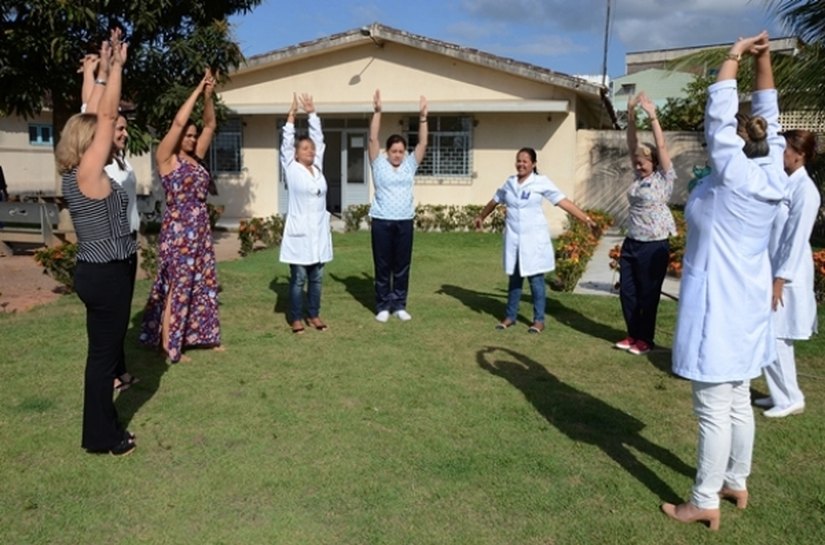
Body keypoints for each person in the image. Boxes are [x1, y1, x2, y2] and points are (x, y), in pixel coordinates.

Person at [663, 31, 788, 530]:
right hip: (748, 303)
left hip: (719, 304)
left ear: (735, 140)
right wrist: (764, 60)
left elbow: (719, 113)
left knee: (714, 406)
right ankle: (736, 481)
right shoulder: (773, 172)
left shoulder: (734, 173)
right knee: (737, 398)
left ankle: (704, 499)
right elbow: (770, 113)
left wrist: (735, 55)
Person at [55, 30, 136, 456]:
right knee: (103, 360)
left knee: (100, 356)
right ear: (88, 145)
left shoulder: (78, 174)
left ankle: (101, 428)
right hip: (107, 275)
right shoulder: (89, 173)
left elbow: (91, 112)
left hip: (97, 271)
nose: (110, 133)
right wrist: (116, 67)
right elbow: (102, 117)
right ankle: (103, 437)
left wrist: (99, 74)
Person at [139, 69, 222, 363]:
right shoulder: (167, 158)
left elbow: (210, 124)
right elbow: (177, 122)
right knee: (177, 285)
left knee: (202, 282)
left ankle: (201, 336)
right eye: (187, 135)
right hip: (177, 231)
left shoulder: (196, 157)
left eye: (193, 135)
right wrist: (197, 90)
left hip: (199, 229)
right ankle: (168, 345)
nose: (191, 138)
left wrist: (209, 97)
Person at [473, 148, 598, 333]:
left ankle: (538, 320)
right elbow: (495, 201)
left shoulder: (541, 182)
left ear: (533, 164)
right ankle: (510, 317)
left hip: (533, 241)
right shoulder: (510, 182)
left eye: (525, 161)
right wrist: (481, 216)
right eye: (518, 160)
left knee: (536, 281)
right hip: (514, 240)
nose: (521, 164)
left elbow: (563, 201)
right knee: (515, 280)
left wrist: (586, 219)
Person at [81, 52, 140, 391]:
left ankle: (120, 368)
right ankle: (114, 372)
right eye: (118, 128)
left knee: (122, 313)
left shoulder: (122, 161)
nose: (123, 133)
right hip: (109, 250)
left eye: (125, 128)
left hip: (128, 245)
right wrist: (95, 74)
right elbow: (91, 113)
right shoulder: (99, 161)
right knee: (112, 318)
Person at [757, 129, 820, 418]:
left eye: (784, 150)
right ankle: (781, 393)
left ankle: (790, 398)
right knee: (772, 333)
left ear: (799, 154)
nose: (780, 155)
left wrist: (780, 279)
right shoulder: (785, 183)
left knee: (777, 335)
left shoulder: (805, 191)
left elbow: (795, 239)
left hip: (788, 274)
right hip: (773, 267)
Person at [615, 91, 677, 355]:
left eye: (642, 163)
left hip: (654, 244)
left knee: (648, 294)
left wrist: (652, 116)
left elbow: (661, 146)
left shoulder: (664, 178)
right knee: (627, 292)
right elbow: (632, 144)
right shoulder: (638, 179)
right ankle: (633, 335)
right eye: (637, 163)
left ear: (653, 163)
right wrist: (630, 114)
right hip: (632, 241)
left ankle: (645, 339)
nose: (638, 166)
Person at [367, 89, 428, 322]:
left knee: (402, 265)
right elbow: (373, 139)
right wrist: (378, 112)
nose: (398, 155)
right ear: (387, 151)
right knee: (383, 265)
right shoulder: (378, 163)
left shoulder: (409, 165)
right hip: (382, 221)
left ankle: (399, 304)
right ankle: (383, 305)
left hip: (404, 221)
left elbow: (423, 143)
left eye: (401, 151)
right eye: (394, 151)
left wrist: (423, 118)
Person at [279, 93, 333, 334]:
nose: (310, 151)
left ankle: (314, 314)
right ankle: (296, 317)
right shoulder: (291, 168)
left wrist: (312, 113)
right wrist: (292, 115)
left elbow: (319, 139)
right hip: (299, 234)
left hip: (318, 233)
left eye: (311, 148)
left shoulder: (318, 168)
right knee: (299, 278)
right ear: (296, 153)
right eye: (304, 148)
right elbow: (286, 142)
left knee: (317, 278)